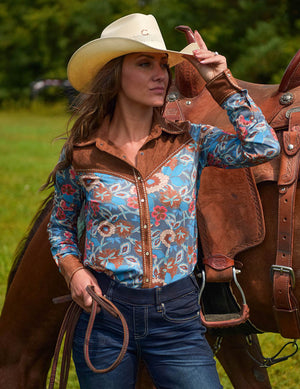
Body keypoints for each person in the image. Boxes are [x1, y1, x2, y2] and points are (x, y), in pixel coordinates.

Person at [47, 13, 280, 389]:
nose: (161, 74)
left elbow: (262, 146)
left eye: (162, 65)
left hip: (177, 318)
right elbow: (60, 227)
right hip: (105, 317)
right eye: (144, 64)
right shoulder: (82, 154)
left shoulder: (191, 140)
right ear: (113, 75)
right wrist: (73, 271)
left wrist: (220, 82)